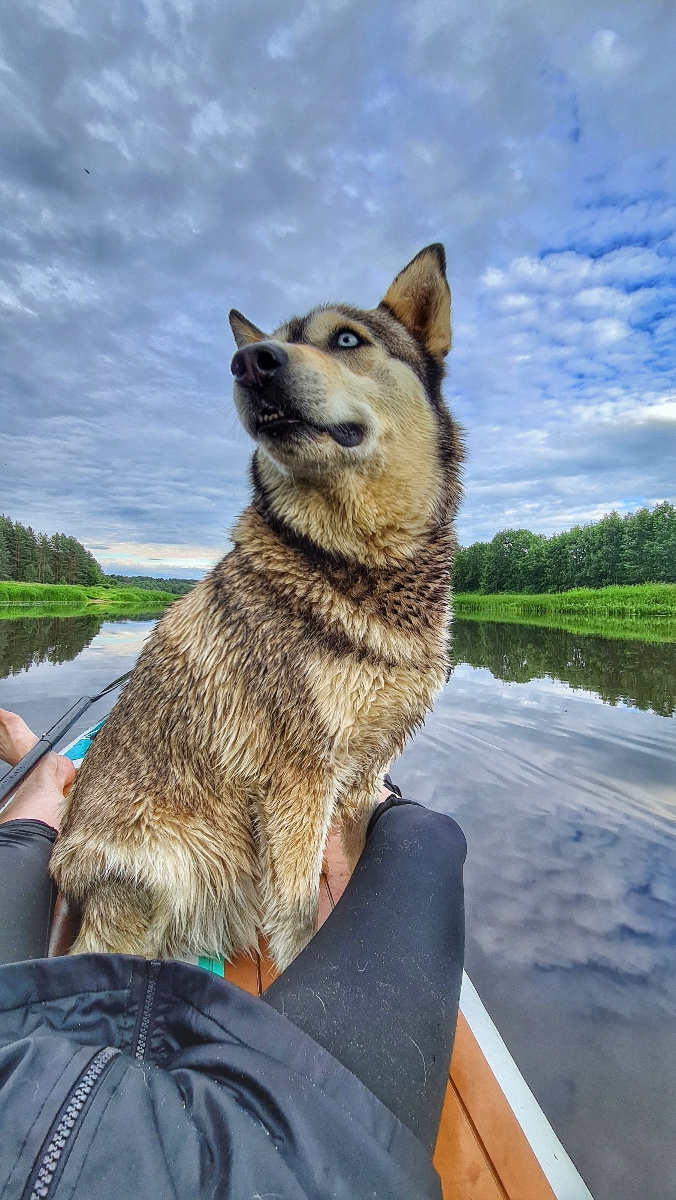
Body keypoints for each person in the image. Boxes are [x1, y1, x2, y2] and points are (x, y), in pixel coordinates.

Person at [0, 706, 466, 1200]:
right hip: (288, 1156)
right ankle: (374, 796)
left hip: (13, 1058)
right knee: (430, 835)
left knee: (19, 840)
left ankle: (41, 785)